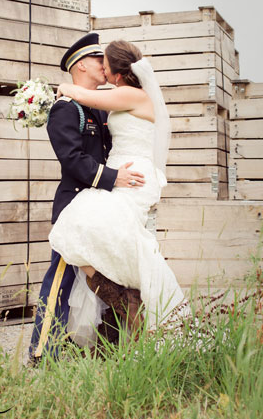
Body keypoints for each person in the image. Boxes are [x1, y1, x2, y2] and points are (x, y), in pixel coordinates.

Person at [49, 39, 185, 346]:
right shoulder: (126, 94)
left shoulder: (128, 94)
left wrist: (62, 87)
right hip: (128, 172)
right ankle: (125, 300)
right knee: (107, 238)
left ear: (117, 69)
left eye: (105, 62)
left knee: (78, 226)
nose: (102, 66)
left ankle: (127, 302)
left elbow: (82, 94)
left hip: (131, 175)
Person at [29, 33, 147, 362]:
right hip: (74, 210)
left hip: (101, 209)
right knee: (60, 284)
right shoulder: (67, 109)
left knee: (106, 283)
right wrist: (114, 177)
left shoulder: (96, 107)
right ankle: (41, 354)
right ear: (81, 65)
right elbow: (73, 159)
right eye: (98, 59)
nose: (104, 64)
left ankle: (101, 353)